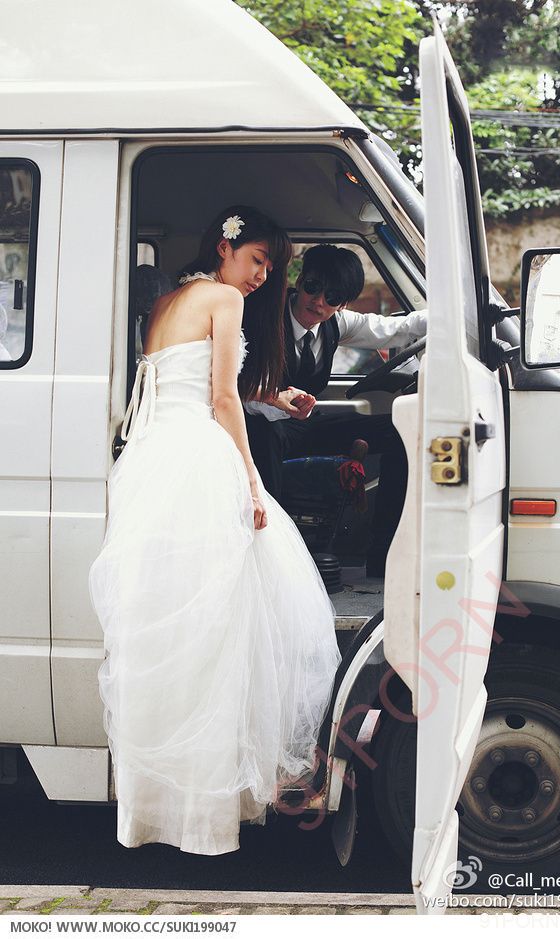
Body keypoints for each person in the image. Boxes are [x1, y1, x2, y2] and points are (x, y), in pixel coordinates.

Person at [89, 206, 341, 856]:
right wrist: (250, 482)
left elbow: (188, 384)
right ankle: (207, 813)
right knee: (224, 633)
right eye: (258, 259)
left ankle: (152, 811)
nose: (263, 276)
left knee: (171, 635)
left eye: (271, 267)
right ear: (226, 247)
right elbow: (222, 399)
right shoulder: (224, 299)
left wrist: (275, 395)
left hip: (152, 461)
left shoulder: (168, 300)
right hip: (200, 461)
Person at [244, 244, 427, 577]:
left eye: (332, 297)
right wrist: (274, 399)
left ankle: (382, 556)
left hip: (304, 425)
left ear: (343, 304)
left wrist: (455, 315)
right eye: (313, 287)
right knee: (265, 432)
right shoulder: (263, 316)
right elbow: (233, 387)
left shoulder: (336, 324)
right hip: (259, 422)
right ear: (300, 280)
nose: (318, 302)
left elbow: (397, 329)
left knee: (400, 429)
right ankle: (271, 555)